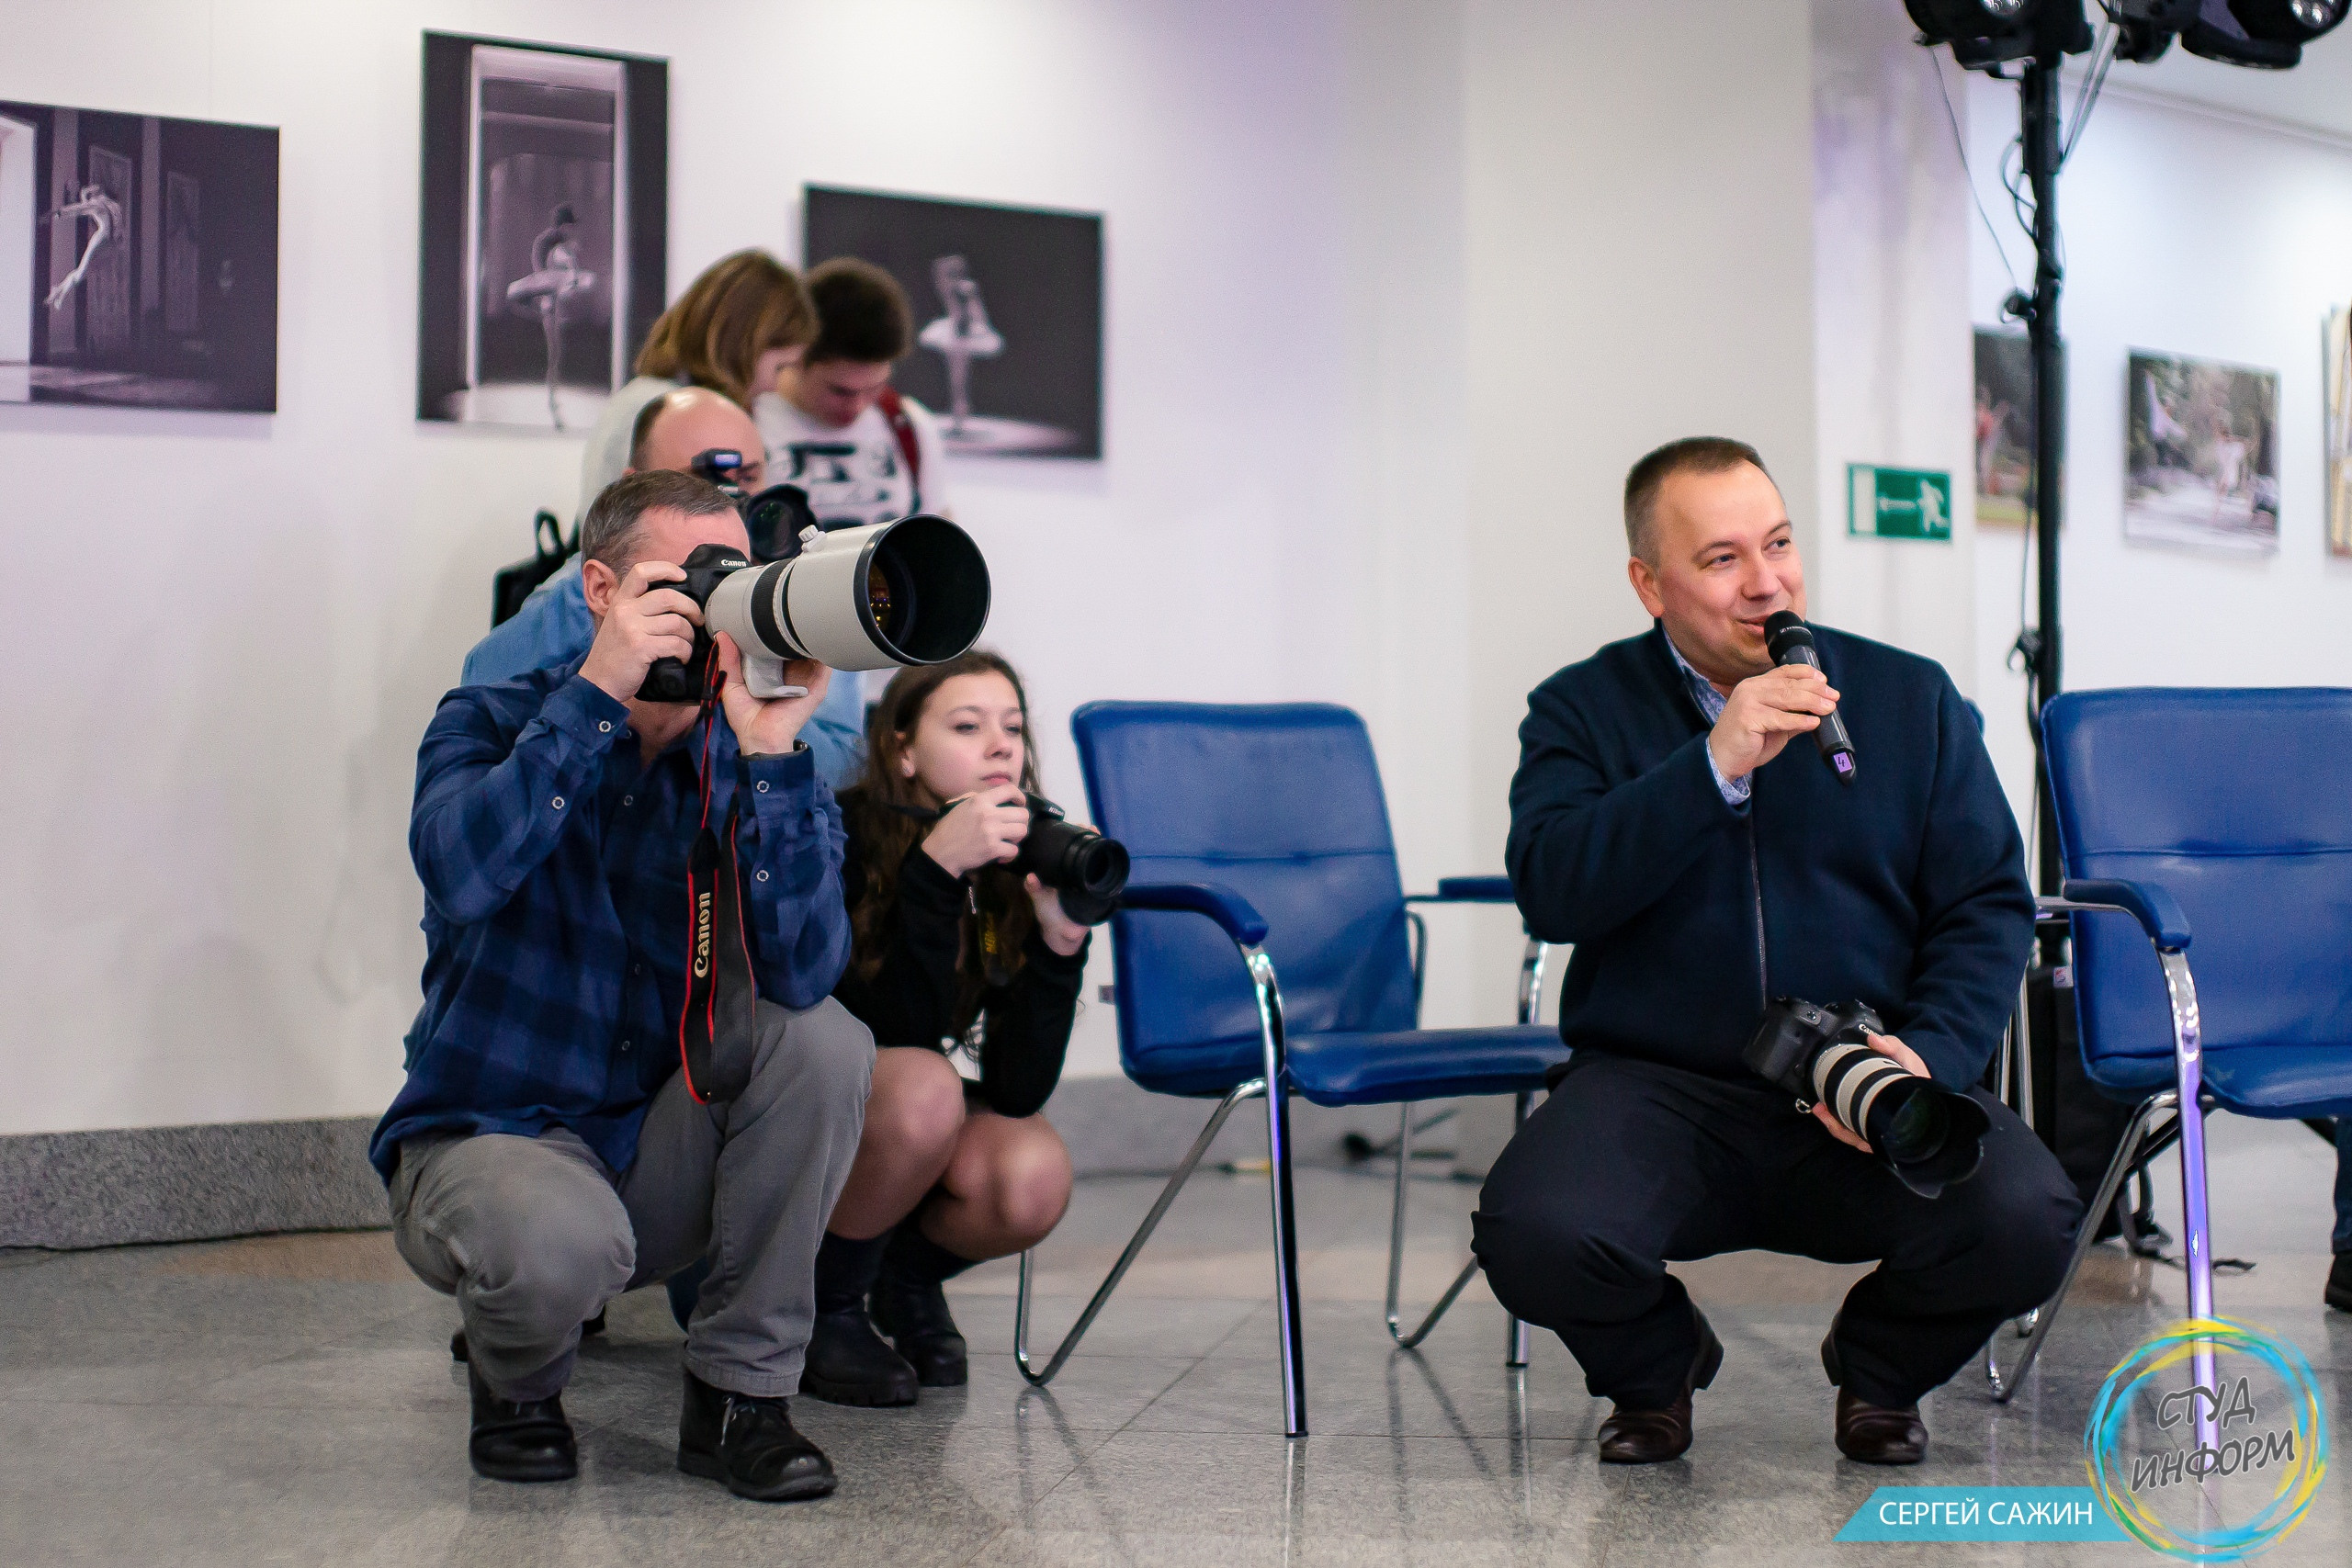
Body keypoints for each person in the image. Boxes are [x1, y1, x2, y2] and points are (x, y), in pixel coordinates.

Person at [1471, 437, 2079, 1468]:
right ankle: (1655, 1372)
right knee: (1532, 1227)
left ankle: (1880, 1371)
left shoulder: (1907, 699)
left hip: (1863, 1078)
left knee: (2027, 1217)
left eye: (1780, 544)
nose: (1766, 584)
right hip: (1659, 1089)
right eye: (1720, 560)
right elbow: (1554, 887)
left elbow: (1984, 903)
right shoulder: (1578, 707)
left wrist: (1927, 1053)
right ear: (1648, 585)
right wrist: (1712, 763)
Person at [374, 468, 872, 1501]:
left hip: (654, 1151)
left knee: (825, 1042)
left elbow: (807, 972)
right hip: (492, 1138)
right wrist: (595, 696)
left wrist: (772, 753)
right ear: (600, 590)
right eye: (675, 579)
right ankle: (518, 1384)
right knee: (557, 1241)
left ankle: (740, 1397)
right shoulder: (493, 717)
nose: (702, 605)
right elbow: (465, 872)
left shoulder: (750, 753)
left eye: (725, 577)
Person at [799, 652, 1087, 1404]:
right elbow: (892, 1035)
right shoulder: (844, 833)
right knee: (927, 1086)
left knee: (1030, 1173)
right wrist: (931, 875)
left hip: (896, 1115)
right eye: (967, 725)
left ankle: (901, 1278)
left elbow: (1019, 1088)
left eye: (1013, 728)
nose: (1001, 746)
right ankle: (824, 1306)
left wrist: (1059, 949)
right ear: (901, 748)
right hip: (809, 1119)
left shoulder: (1012, 856)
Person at [465, 385, 867, 789]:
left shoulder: (792, 592)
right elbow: (484, 689)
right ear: (633, 486)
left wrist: (760, 707)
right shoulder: (592, 589)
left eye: (747, 478)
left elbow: (844, 769)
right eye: (697, 482)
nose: (728, 501)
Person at [758, 258, 953, 530]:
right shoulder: (749, 421)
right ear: (797, 357)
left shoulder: (909, 425)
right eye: (840, 391)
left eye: (874, 389)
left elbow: (936, 538)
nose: (858, 406)